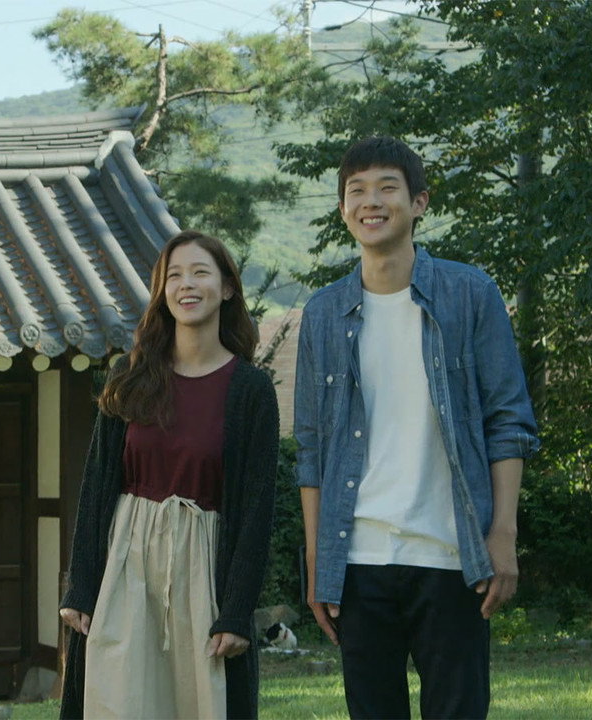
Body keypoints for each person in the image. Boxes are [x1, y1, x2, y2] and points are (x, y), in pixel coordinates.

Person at [294, 137, 540, 719]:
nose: (371, 202)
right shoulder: (323, 313)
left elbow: (508, 421)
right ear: (343, 208)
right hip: (359, 559)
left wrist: (503, 534)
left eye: (387, 188)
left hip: (453, 556)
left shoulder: (470, 293)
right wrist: (318, 563)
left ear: (419, 202)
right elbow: (311, 447)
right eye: (357, 191)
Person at [59, 230, 279, 719]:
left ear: (227, 288)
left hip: (204, 568)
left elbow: (256, 509)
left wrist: (236, 610)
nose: (186, 285)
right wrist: (82, 585)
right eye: (174, 276)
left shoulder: (250, 390)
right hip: (127, 562)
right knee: (117, 700)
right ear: (162, 291)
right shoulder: (130, 376)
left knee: (200, 702)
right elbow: (96, 488)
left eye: (200, 273)